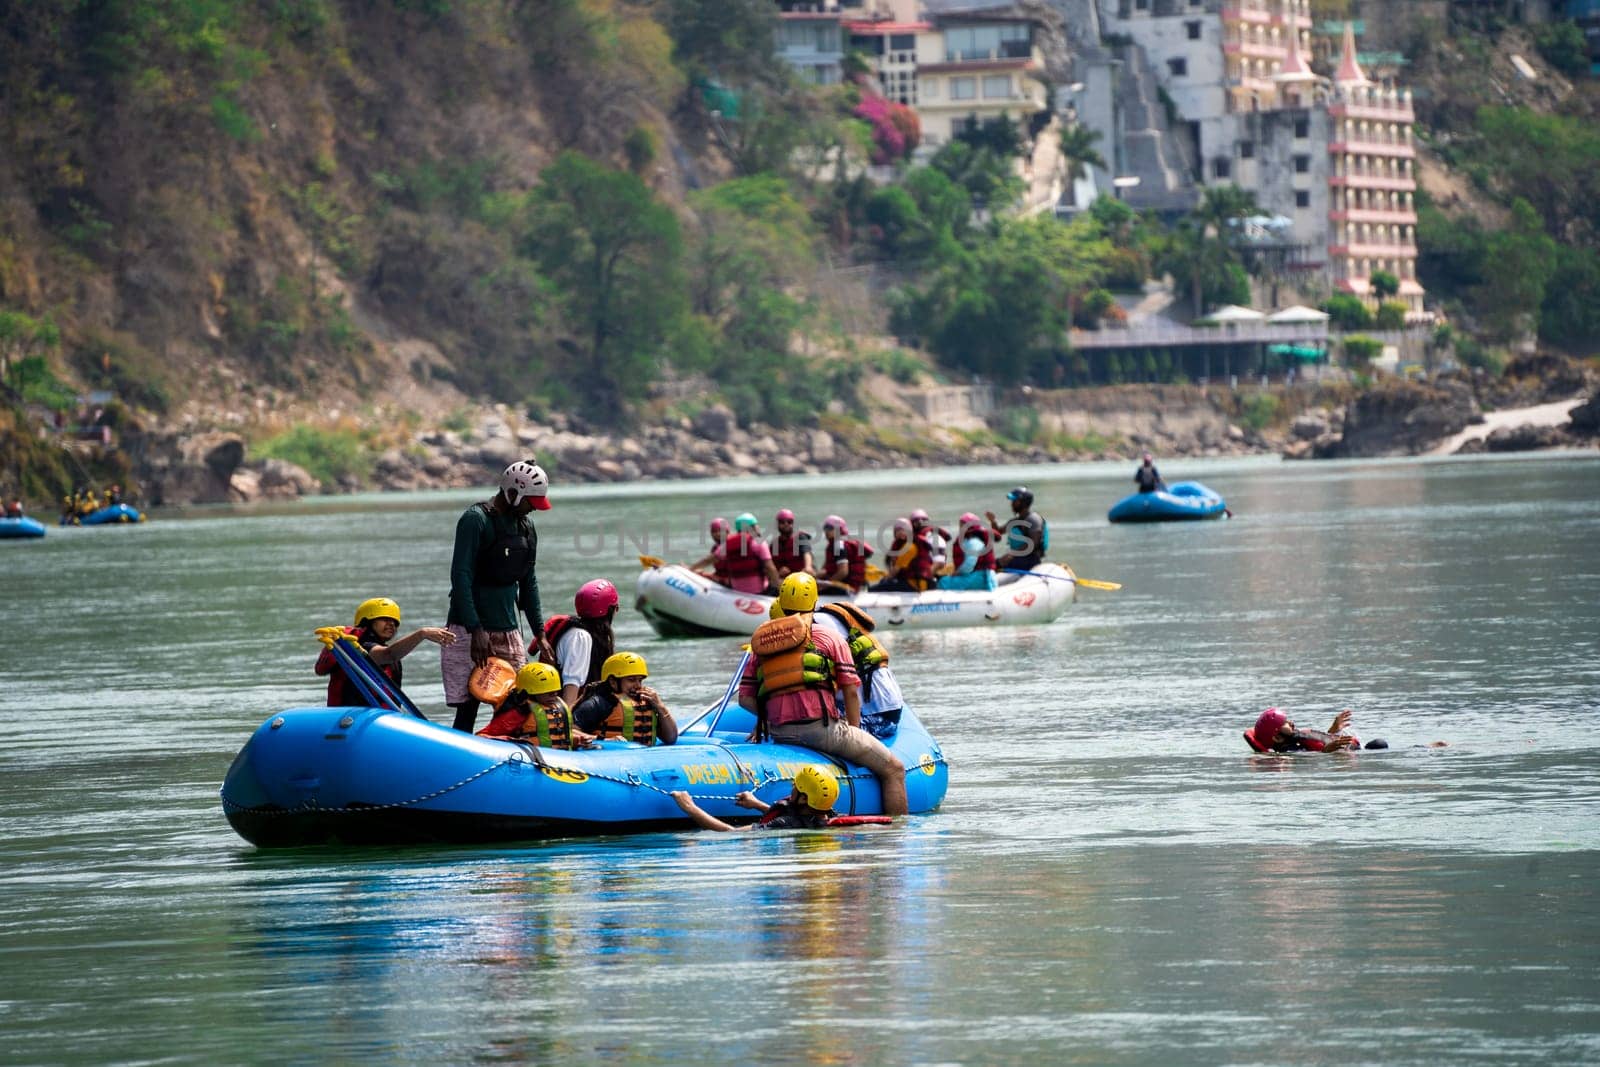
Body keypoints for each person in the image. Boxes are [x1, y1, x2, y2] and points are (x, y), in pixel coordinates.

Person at [740, 573, 908, 815]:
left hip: (779, 731)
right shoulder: (828, 636)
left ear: (780, 603)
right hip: (823, 733)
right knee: (894, 770)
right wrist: (854, 731)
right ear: (814, 603)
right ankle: (897, 838)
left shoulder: (761, 645)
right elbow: (851, 691)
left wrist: (771, 717)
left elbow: (745, 699)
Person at [442, 459, 554, 733]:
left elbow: (529, 581)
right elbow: (461, 577)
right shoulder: (475, 520)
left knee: (518, 704)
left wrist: (540, 632)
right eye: (530, 502)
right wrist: (475, 629)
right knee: (467, 709)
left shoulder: (526, 527)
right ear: (512, 494)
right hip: (468, 630)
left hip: (508, 630)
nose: (533, 510)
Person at [314, 597, 456, 707]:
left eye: (394, 622)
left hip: (376, 718)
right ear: (367, 622)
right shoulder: (360, 646)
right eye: (384, 619)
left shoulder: (374, 646)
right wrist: (422, 634)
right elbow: (388, 654)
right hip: (353, 718)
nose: (391, 624)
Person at [670, 765, 886, 832]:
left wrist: (691, 808)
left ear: (803, 799)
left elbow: (732, 833)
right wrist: (757, 805)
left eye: (796, 787)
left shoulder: (782, 824)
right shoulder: (828, 816)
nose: (791, 788)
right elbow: (798, 819)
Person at [814, 600, 903, 739]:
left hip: (881, 714)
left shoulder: (819, 626)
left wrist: (853, 738)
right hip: (888, 700)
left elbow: (849, 689)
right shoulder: (824, 617)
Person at [477, 661, 596, 749]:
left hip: (563, 759)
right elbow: (482, 736)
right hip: (533, 761)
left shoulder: (557, 705)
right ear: (530, 692)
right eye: (548, 693)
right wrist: (512, 741)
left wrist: (579, 740)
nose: (554, 696)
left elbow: (560, 736)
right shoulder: (520, 712)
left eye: (556, 691)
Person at [572, 651, 679, 746]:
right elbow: (568, 732)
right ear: (613, 682)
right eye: (631, 680)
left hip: (644, 757)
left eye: (640, 680)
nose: (637, 685)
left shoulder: (647, 702)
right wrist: (603, 740)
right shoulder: (599, 703)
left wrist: (660, 707)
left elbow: (670, 738)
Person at [543, 578, 619, 709]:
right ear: (609, 611)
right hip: (564, 711)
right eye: (615, 608)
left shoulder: (577, 632)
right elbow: (571, 685)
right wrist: (567, 723)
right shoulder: (580, 637)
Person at [1243, 707, 1386, 753]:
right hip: (1352, 752)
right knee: (1380, 745)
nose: (1291, 722)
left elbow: (1315, 744)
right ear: (1277, 738)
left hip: (1353, 750)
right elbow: (1311, 756)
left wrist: (1333, 731)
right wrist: (1326, 752)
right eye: (1285, 723)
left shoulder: (1298, 740)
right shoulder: (1289, 753)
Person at [987, 486, 1048, 572]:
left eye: (1014, 501)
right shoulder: (1015, 521)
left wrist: (1012, 554)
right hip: (1017, 557)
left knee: (995, 565)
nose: (1011, 503)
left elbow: (1033, 543)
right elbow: (998, 532)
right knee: (991, 564)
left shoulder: (1034, 520)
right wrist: (993, 521)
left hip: (1030, 560)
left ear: (1023, 502)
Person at [937, 513, 998, 591]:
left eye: (963, 525)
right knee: (946, 579)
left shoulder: (974, 541)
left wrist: (958, 572)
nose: (960, 528)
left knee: (943, 581)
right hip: (976, 576)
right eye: (960, 525)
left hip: (981, 578)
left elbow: (970, 563)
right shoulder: (968, 540)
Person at [817, 516, 874, 594]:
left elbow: (843, 572)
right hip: (850, 586)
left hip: (847, 588)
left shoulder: (839, 545)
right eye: (825, 528)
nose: (826, 531)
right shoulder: (835, 545)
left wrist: (826, 584)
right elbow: (825, 569)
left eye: (830, 528)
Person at [769, 508, 814, 581]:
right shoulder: (774, 545)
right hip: (784, 580)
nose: (786, 524)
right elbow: (769, 564)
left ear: (793, 524)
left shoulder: (801, 537)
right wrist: (778, 573)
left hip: (802, 577)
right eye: (782, 522)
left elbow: (807, 553)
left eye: (789, 522)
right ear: (777, 524)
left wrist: (808, 567)